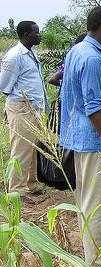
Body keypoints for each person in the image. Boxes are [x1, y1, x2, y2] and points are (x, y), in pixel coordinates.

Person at [59, 6, 101, 267]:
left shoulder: (78, 51)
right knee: (98, 202)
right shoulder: (93, 59)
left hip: (83, 140)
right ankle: (98, 263)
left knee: (96, 199)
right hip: (97, 141)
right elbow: (94, 107)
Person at [0, 21, 47, 201]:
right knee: (20, 148)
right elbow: (4, 85)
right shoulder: (15, 55)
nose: (40, 35)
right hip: (21, 106)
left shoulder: (30, 54)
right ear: (27, 35)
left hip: (33, 107)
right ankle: (16, 192)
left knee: (32, 147)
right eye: (36, 32)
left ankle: (31, 184)